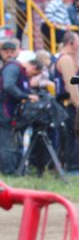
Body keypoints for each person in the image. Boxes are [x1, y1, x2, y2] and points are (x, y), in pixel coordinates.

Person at [0, 39, 39, 174]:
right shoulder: (12, 67)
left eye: (12, 51)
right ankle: (9, 171)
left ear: (17, 52)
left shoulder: (13, 67)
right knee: (8, 141)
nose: (9, 54)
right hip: (5, 109)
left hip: (8, 109)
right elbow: (8, 86)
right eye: (6, 51)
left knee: (10, 141)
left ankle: (13, 169)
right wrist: (26, 96)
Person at [52, 31, 79, 171]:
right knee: (74, 136)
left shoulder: (69, 58)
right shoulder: (66, 59)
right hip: (69, 105)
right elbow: (72, 86)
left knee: (70, 136)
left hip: (67, 104)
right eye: (78, 41)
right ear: (71, 43)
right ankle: (74, 167)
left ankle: (71, 166)